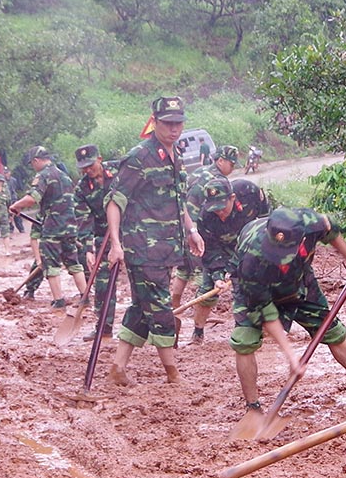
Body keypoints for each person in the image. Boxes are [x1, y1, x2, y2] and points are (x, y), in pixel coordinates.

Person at [230, 207, 346, 414]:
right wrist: (291, 357)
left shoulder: (312, 222)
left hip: (299, 280)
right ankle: (253, 408)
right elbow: (266, 313)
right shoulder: (251, 261)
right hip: (258, 287)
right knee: (244, 341)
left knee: (333, 331)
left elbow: (332, 233)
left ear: (302, 238)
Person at [104, 96, 204, 387]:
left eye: (178, 123)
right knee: (160, 309)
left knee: (140, 307)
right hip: (143, 249)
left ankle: (118, 369)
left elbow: (178, 200)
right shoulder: (139, 156)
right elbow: (115, 200)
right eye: (167, 124)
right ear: (155, 122)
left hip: (167, 249)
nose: (174, 129)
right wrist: (115, 243)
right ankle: (173, 374)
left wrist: (192, 230)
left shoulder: (176, 155)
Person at [187, 175, 271, 344]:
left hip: (248, 245)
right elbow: (210, 251)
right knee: (207, 290)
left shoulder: (250, 192)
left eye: (222, 207)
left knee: (254, 287)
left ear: (232, 198)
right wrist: (218, 276)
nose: (219, 213)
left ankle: (256, 328)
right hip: (222, 250)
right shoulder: (206, 216)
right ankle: (198, 333)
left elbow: (266, 220)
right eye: (215, 209)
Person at [9, 145, 87, 311]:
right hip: (70, 227)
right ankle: (85, 296)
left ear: (36, 161)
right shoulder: (64, 175)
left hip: (53, 228)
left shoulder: (43, 175)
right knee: (74, 263)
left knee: (51, 264)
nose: (33, 166)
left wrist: (16, 206)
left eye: (32, 163)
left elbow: (32, 199)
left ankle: (58, 301)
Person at [175, 145, 241, 309]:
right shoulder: (216, 181)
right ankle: (196, 322)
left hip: (180, 229)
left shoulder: (199, 171)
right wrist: (194, 234)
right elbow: (192, 211)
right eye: (231, 164)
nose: (232, 169)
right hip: (195, 234)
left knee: (182, 272)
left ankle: (174, 306)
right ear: (220, 161)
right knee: (203, 277)